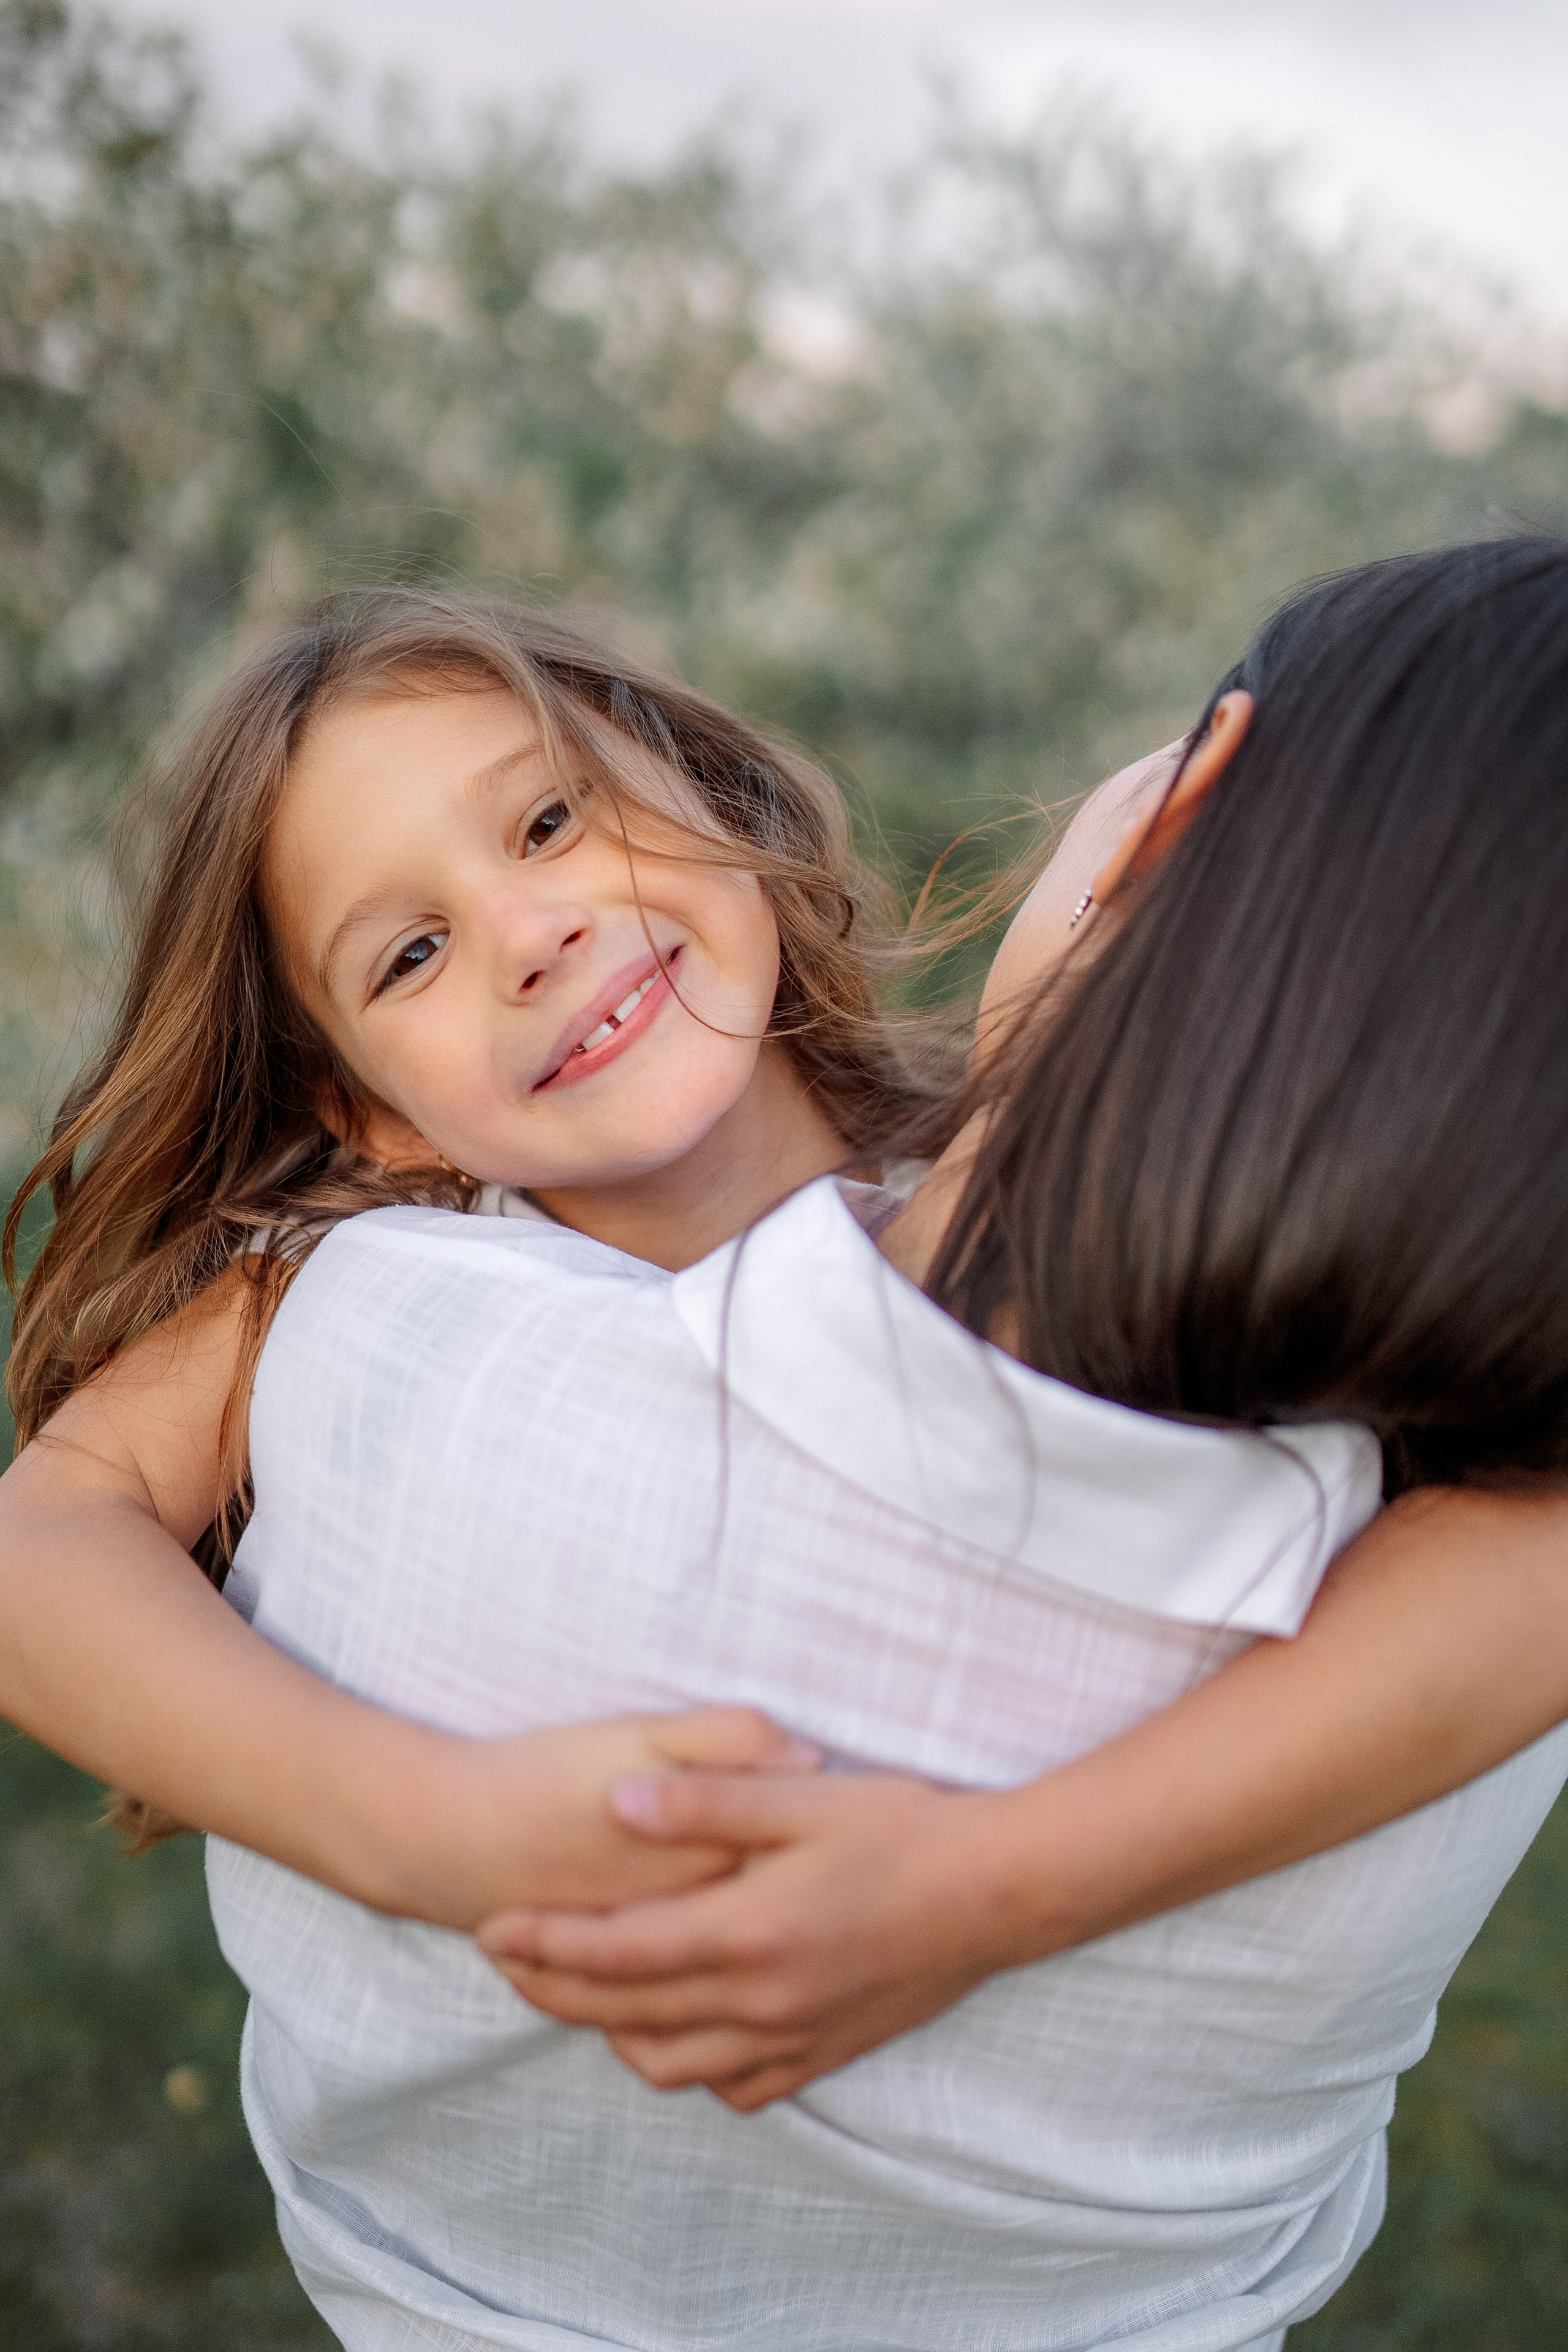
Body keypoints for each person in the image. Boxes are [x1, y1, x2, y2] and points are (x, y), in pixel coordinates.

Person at [5, 546, 1568, 2341]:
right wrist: (422, 1830)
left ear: (716, 799)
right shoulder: (359, 1285)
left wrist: (1006, 1885)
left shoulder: (988, 1185)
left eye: (549, 825)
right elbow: (44, 1539)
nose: (531, 935)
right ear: (369, 1106)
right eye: (413, 951)